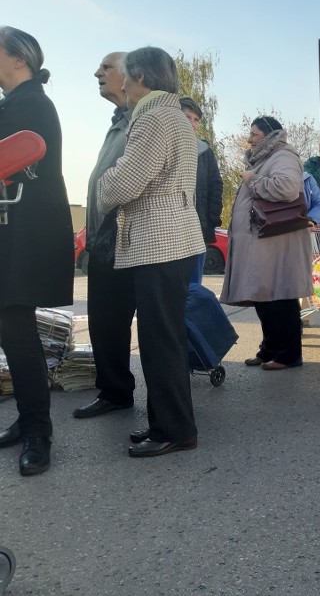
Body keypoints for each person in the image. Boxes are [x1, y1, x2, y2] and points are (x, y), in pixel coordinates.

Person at [97, 46, 206, 457]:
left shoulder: (154, 117)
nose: (120, 82)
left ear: (141, 77)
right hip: (171, 243)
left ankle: (175, 430)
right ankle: (165, 423)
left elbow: (124, 183)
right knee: (165, 338)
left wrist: (102, 184)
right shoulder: (173, 115)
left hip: (158, 244)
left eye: (125, 74)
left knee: (160, 342)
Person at [0, 26, 73, 476]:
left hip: (21, 238)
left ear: (18, 59)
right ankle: (29, 420)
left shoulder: (30, 104)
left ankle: (38, 432)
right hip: (14, 235)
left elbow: (22, 164)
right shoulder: (18, 103)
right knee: (11, 332)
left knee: (16, 332)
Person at [72, 53, 141, 422]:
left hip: (132, 242)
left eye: (106, 68)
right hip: (103, 243)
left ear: (131, 76)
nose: (97, 73)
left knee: (157, 326)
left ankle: (170, 409)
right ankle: (114, 391)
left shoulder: (143, 121)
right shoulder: (117, 123)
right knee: (105, 323)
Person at [220, 116, 312, 370]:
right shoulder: (265, 158)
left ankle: (289, 355)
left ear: (269, 135)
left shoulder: (282, 155)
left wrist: (253, 180)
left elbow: (288, 188)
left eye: (254, 134)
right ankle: (270, 348)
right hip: (263, 241)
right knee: (264, 297)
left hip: (277, 242)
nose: (249, 139)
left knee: (281, 296)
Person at [179, 97, 223, 283]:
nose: (192, 123)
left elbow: (215, 185)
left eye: (196, 119)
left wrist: (211, 220)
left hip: (197, 228)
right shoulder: (161, 143)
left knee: (193, 286)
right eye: (187, 116)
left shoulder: (204, 150)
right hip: (169, 229)